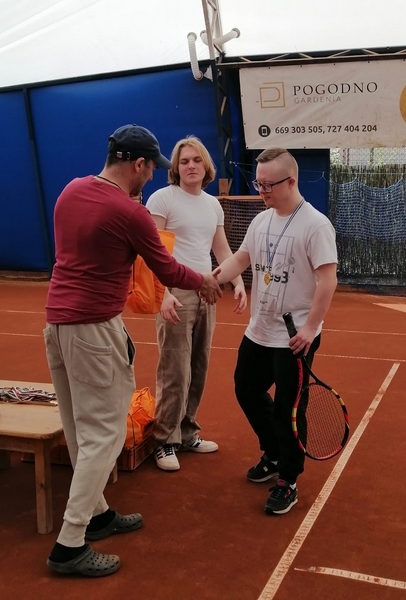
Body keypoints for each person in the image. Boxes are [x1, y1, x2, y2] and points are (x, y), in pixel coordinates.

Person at [43, 124, 222, 577]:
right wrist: (204, 280)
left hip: (57, 325)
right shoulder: (130, 212)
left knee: (80, 427)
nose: (152, 176)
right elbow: (166, 269)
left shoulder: (70, 191)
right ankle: (69, 543)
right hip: (93, 331)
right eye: (150, 168)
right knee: (105, 435)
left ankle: (98, 513)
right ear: (137, 164)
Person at [212, 147, 338, 514]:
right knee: (246, 390)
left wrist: (310, 329)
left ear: (291, 181)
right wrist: (210, 278)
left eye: (268, 185)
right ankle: (273, 452)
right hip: (259, 330)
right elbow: (241, 259)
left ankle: (289, 477)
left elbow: (327, 280)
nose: (262, 191)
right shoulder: (260, 221)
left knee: (289, 408)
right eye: (258, 184)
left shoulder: (315, 225)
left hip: (295, 337)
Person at [145, 136, 247, 471]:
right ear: (176, 168)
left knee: (199, 366)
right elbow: (153, 252)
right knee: (175, 368)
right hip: (176, 292)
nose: (191, 166)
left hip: (208, 291)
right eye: (184, 161)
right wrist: (163, 293)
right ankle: (164, 440)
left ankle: (187, 433)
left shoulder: (212, 205)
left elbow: (221, 249)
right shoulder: (163, 199)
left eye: (196, 160)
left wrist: (237, 281)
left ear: (206, 166)